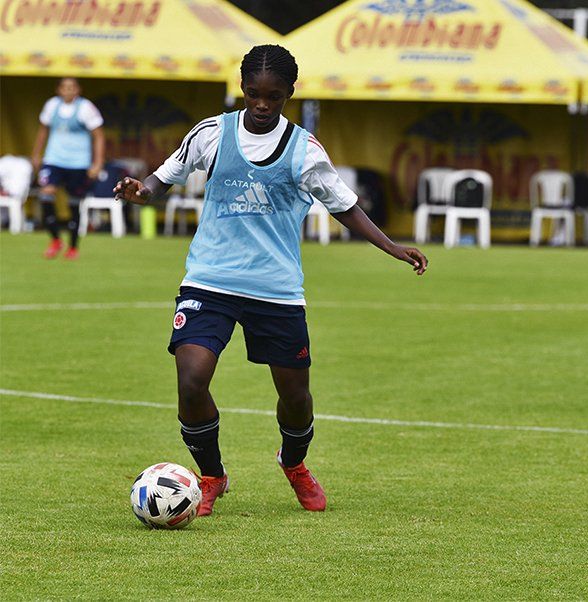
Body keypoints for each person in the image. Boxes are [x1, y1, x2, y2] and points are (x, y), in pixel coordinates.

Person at [114, 45, 428, 516]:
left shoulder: (305, 151)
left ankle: (295, 463)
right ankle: (212, 475)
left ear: (289, 95)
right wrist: (142, 192)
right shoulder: (211, 134)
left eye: (274, 97)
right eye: (254, 94)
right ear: (242, 89)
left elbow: (345, 207)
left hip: (276, 288)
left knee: (296, 398)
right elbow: (164, 177)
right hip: (211, 279)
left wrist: (392, 247)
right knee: (192, 379)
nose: (262, 105)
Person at [31, 77, 105, 260]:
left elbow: (99, 136)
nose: (68, 90)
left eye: (72, 87)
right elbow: (43, 131)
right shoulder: (51, 106)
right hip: (54, 159)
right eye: (65, 87)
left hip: (78, 163)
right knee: (46, 194)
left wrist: (97, 163)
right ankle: (55, 239)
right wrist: (36, 154)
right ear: (58, 90)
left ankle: (73, 246)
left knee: (74, 204)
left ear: (78, 89)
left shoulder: (86, 108)